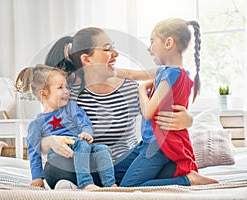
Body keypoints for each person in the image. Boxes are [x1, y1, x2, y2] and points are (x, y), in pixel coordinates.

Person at [40, 27, 194, 189]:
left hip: (126, 166)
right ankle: (98, 185)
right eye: (107, 49)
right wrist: (51, 141)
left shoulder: (129, 88)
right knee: (54, 168)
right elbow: (40, 136)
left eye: (113, 47)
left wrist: (188, 120)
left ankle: (108, 185)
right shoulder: (69, 93)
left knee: (166, 162)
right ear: (87, 60)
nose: (116, 54)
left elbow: (160, 119)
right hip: (88, 169)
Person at [114, 18, 219, 187]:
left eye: (152, 41)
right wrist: (103, 68)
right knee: (113, 174)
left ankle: (186, 179)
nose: (149, 48)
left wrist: (141, 90)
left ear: (168, 42)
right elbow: (131, 74)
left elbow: (148, 112)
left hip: (159, 146)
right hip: (148, 143)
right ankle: (172, 171)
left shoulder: (171, 75)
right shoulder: (167, 72)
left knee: (128, 188)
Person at [14, 64, 116, 189]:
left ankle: (110, 186)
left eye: (66, 87)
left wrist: (86, 132)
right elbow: (33, 152)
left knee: (102, 149)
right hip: (60, 157)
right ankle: (85, 183)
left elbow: (85, 122)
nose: (66, 91)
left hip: (81, 149)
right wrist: (37, 177)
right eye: (60, 88)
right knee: (82, 144)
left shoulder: (71, 108)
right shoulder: (37, 124)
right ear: (44, 94)